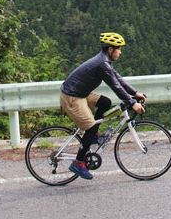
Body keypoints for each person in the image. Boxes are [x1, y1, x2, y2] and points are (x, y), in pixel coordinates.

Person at [60, 32, 146, 180]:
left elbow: (118, 79)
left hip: (80, 93)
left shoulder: (104, 61)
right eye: (118, 48)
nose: (120, 51)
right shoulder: (102, 64)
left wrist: (135, 92)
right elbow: (116, 87)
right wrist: (132, 103)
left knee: (105, 102)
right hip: (72, 97)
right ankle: (78, 163)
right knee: (91, 127)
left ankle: (93, 136)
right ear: (110, 49)